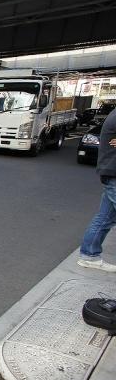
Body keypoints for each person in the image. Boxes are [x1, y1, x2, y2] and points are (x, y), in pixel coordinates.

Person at [78, 106, 116, 271]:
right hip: (113, 171)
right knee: (104, 219)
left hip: (111, 170)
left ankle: (89, 256)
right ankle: (89, 255)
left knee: (105, 218)